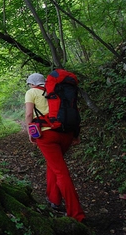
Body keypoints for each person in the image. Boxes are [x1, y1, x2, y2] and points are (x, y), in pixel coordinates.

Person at [24, 73, 85, 222]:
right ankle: (54, 200)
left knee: (61, 172)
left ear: (31, 83)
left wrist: (30, 133)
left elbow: (29, 115)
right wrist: (76, 135)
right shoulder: (58, 90)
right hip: (66, 134)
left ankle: (76, 215)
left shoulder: (31, 92)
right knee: (54, 166)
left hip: (47, 136)